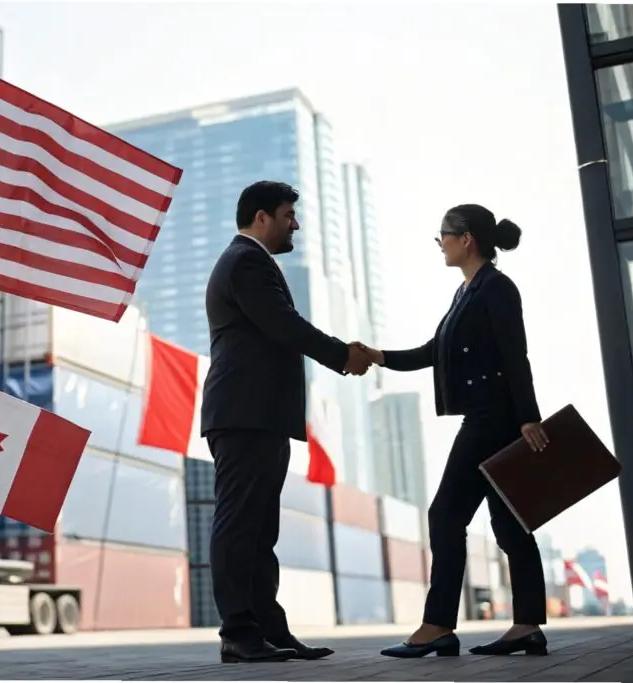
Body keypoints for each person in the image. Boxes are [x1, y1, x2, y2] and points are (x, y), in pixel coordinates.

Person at [361, 204, 551, 659]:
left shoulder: (497, 288)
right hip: (489, 417)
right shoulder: (468, 290)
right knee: (509, 523)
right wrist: (378, 355)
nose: (440, 243)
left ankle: (438, 624)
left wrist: (529, 417)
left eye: (443, 235)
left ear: (466, 239)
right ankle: (527, 626)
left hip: (494, 418)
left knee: (445, 514)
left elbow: (515, 354)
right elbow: (436, 349)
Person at [201, 180, 372, 663]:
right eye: (287, 215)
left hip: (260, 415)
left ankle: (269, 631)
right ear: (261, 218)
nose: (294, 223)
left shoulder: (250, 263)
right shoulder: (247, 261)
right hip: (244, 414)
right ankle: (238, 631)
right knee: (239, 526)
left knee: (259, 531)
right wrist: (342, 354)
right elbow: (283, 325)